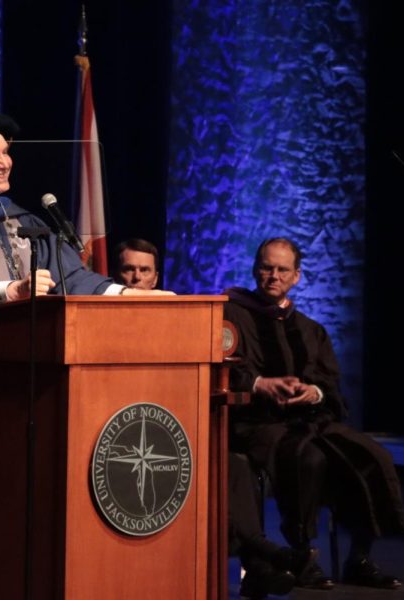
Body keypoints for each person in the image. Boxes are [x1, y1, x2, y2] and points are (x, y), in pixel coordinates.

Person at [0, 111, 171, 568]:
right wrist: (10, 291)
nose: (4, 163)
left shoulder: (23, 219)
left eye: (6, 153)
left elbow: (73, 277)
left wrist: (132, 294)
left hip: (16, 389)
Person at [111, 237, 303, 598]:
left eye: (144, 271)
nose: (136, 278)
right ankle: (262, 552)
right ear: (115, 274)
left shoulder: (176, 321)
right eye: (128, 270)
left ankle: (257, 564)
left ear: (155, 278)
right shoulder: (93, 319)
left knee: (235, 463)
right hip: (117, 431)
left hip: (170, 428)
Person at [224, 237, 404, 590]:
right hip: (258, 423)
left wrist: (315, 391)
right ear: (254, 269)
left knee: (371, 455)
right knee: (309, 460)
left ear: (296, 276)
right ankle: (302, 553)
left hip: (309, 420)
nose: (273, 276)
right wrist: (260, 384)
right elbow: (221, 370)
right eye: (266, 267)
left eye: (282, 270)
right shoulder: (231, 315)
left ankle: (360, 558)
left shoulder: (309, 328)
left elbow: (330, 382)